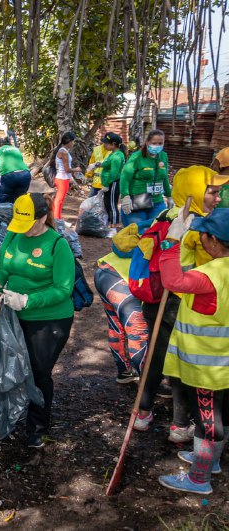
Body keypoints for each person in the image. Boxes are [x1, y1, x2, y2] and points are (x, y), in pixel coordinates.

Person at [132, 166, 228, 438]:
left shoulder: (167, 214)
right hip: (181, 302)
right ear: (194, 193)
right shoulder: (197, 226)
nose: (218, 198)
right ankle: (180, 425)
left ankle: (144, 410)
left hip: (159, 299)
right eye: (212, 192)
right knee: (182, 365)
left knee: (157, 356)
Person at [0, 193, 75, 447]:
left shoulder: (57, 245)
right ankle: (0, 409)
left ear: (43, 217)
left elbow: (63, 289)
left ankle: (38, 426)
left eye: (29, 225)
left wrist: (27, 300)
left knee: (39, 372)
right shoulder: (14, 234)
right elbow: (4, 265)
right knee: (6, 361)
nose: (23, 231)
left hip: (50, 320)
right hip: (14, 315)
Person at [157, 208, 229, 495]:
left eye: (203, 235)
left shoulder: (211, 274)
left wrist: (170, 244)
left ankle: (199, 478)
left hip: (207, 367)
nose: (200, 238)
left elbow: (173, 282)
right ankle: (210, 462)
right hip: (223, 362)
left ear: (213, 239)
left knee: (207, 422)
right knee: (222, 415)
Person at [94, 231, 149, 384]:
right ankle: (148, 383)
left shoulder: (159, 218)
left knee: (116, 325)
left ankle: (124, 372)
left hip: (106, 269)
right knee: (138, 331)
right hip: (124, 280)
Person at [120, 128, 171, 226]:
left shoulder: (163, 156)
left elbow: (164, 177)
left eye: (160, 143)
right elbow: (125, 177)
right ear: (147, 142)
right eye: (154, 143)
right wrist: (125, 196)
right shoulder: (137, 157)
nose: (157, 146)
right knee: (137, 234)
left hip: (157, 202)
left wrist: (169, 196)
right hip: (138, 201)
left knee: (157, 231)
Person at [97, 132, 127, 229]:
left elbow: (113, 174)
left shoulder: (117, 156)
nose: (104, 145)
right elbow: (106, 164)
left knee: (112, 203)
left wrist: (106, 184)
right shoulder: (113, 154)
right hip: (108, 183)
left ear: (113, 144)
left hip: (113, 183)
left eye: (106, 143)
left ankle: (114, 224)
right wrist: (98, 164)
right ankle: (110, 222)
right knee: (107, 203)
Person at [51, 132, 82, 221]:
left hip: (63, 178)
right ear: (69, 142)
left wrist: (71, 177)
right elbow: (67, 169)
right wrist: (77, 169)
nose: (73, 144)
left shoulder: (63, 151)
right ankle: (56, 219)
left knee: (59, 200)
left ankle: (57, 218)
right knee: (59, 200)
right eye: (73, 142)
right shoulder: (63, 152)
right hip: (62, 179)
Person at [0, 137, 30, 204]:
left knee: (1, 203)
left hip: (8, 176)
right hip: (25, 174)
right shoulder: (16, 149)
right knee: (20, 201)